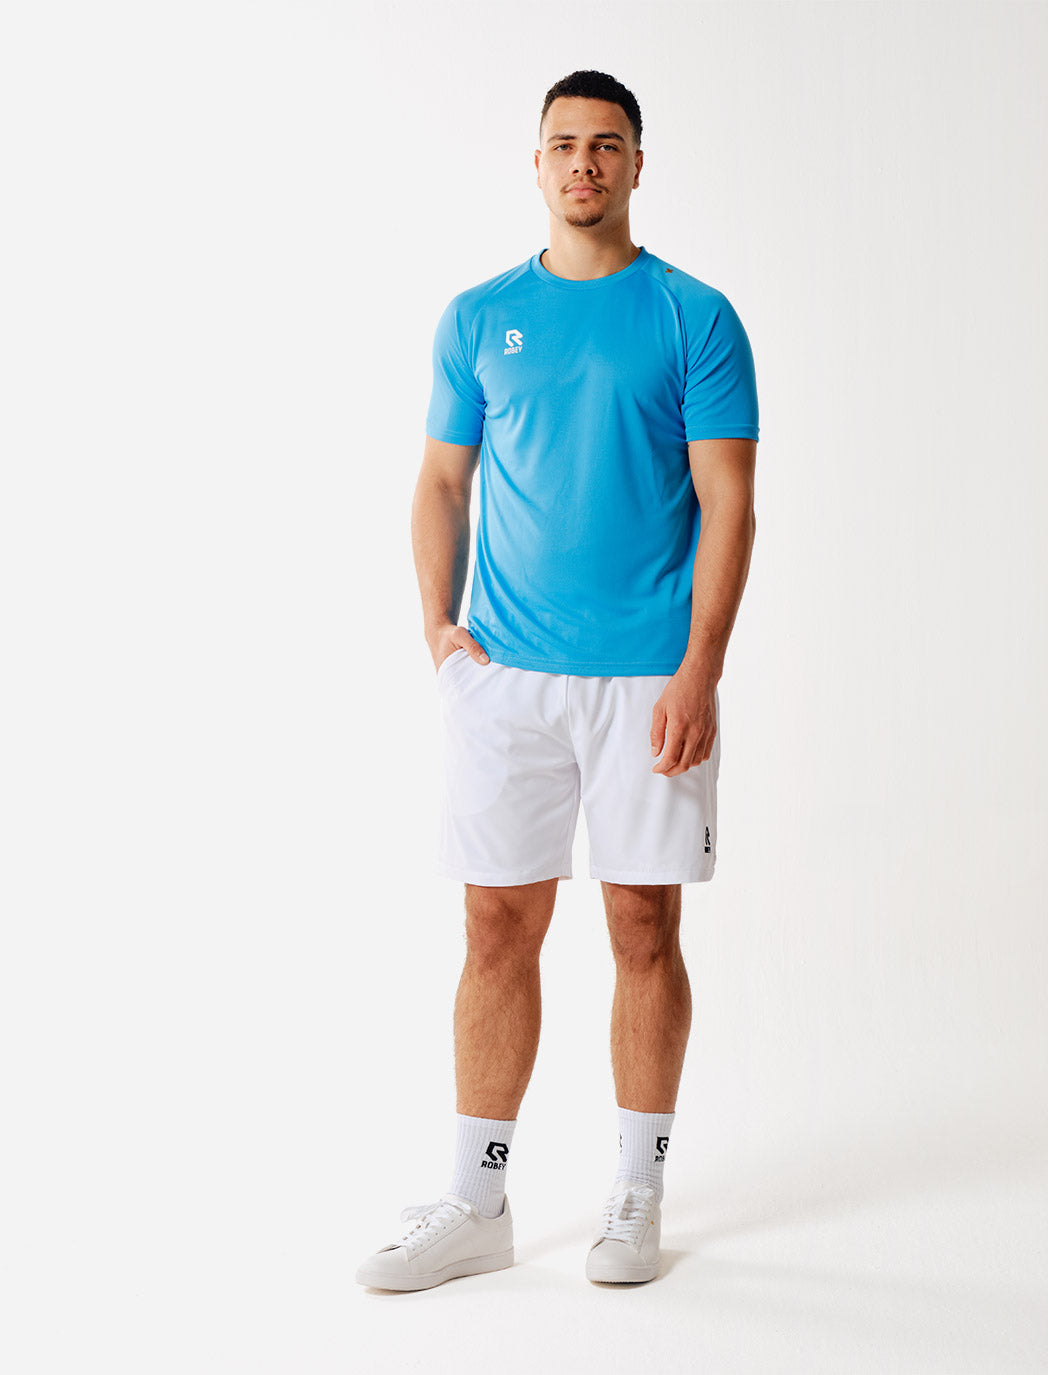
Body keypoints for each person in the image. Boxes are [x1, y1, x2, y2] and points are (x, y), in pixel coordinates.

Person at [356, 69, 759, 1291]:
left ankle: (634, 1191)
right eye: (564, 144)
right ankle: (476, 1200)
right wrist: (438, 632)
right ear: (536, 164)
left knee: (641, 923)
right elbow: (441, 480)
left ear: (636, 164)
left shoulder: (693, 317)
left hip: (647, 677)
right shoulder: (479, 318)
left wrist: (698, 667)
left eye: (606, 144)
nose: (584, 162)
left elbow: (729, 502)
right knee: (494, 925)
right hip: (506, 679)